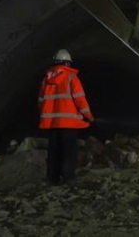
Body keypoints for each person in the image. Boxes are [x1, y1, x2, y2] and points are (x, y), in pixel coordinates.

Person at [38, 49, 95, 183]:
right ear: (67, 63)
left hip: (52, 124)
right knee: (69, 152)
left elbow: (41, 102)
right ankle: (68, 177)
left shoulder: (46, 80)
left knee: (54, 151)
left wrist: (50, 114)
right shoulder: (71, 78)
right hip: (68, 123)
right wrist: (89, 116)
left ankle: (53, 178)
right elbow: (80, 100)